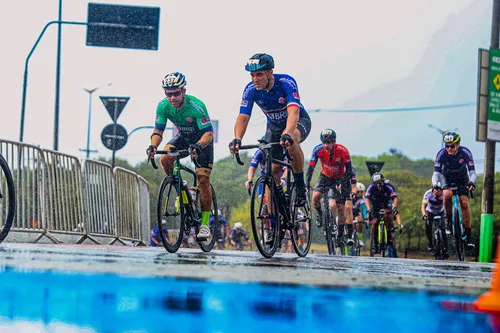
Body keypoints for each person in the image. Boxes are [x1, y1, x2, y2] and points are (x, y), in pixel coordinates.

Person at [229, 53, 311, 207]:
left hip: (298, 121)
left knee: (292, 141)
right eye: (252, 75)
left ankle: (300, 187)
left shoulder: (286, 82)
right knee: (273, 170)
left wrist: (287, 133)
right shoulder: (250, 90)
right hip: (273, 127)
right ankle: (280, 210)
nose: (255, 79)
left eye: (259, 74)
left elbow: (293, 112)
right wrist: (237, 139)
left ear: (270, 72)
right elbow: (243, 117)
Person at [146, 72, 214, 240]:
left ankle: (204, 224)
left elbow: (209, 134)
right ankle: (178, 185)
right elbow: (158, 131)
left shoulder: (196, 106)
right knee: (164, 157)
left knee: (203, 179)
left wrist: (199, 145)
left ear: (184, 91)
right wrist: (153, 146)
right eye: (168, 94)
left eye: (176, 93)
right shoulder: (163, 106)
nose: (172, 97)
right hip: (183, 138)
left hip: (202, 140)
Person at [306, 129, 357, 245]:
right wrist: (307, 183)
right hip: (325, 176)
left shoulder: (343, 151)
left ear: (334, 142)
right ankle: (320, 214)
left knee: (340, 208)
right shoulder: (318, 150)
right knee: (315, 198)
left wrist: (342, 183)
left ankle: (340, 235)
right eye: (324, 142)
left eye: (328, 142)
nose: (326, 145)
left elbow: (349, 170)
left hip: (341, 177)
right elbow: (311, 169)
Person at [432, 131, 476, 250]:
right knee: (446, 195)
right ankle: (449, 222)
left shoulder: (465, 152)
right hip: (446, 177)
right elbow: (435, 174)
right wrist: (435, 185)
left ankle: (468, 235)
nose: (449, 149)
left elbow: (472, 173)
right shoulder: (441, 154)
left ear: (458, 144)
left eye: (452, 146)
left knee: (464, 203)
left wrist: (471, 182)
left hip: (462, 177)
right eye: (447, 146)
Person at [364, 172, 403, 254]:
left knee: (387, 216)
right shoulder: (371, 187)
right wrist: (368, 209)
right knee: (375, 222)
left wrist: (394, 208)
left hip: (386, 203)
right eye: (376, 183)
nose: (378, 185)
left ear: (383, 181)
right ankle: (375, 243)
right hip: (375, 205)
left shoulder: (388, 187)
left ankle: (389, 238)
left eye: (380, 182)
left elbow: (395, 198)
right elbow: (367, 199)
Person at [422, 183, 449, 258]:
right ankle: (430, 243)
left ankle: (446, 249)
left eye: (439, 190)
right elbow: (423, 206)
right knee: (428, 226)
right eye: (435, 190)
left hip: (440, 212)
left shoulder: (444, 194)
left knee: (443, 230)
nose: (437, 192)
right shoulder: (428, 194)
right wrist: (424, 215)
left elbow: (447, 205)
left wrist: (447, 215)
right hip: (430, 212)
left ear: (441, 190)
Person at [352, 182, 368, 249]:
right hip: (347, 213)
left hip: (356, 213)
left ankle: (359, 238)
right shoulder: (350, 196)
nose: (361, 193)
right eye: (359, 192)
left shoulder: (362, 198)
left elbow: (364, 209)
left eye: (362, 192)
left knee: (359, 221)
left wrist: (366, 218)